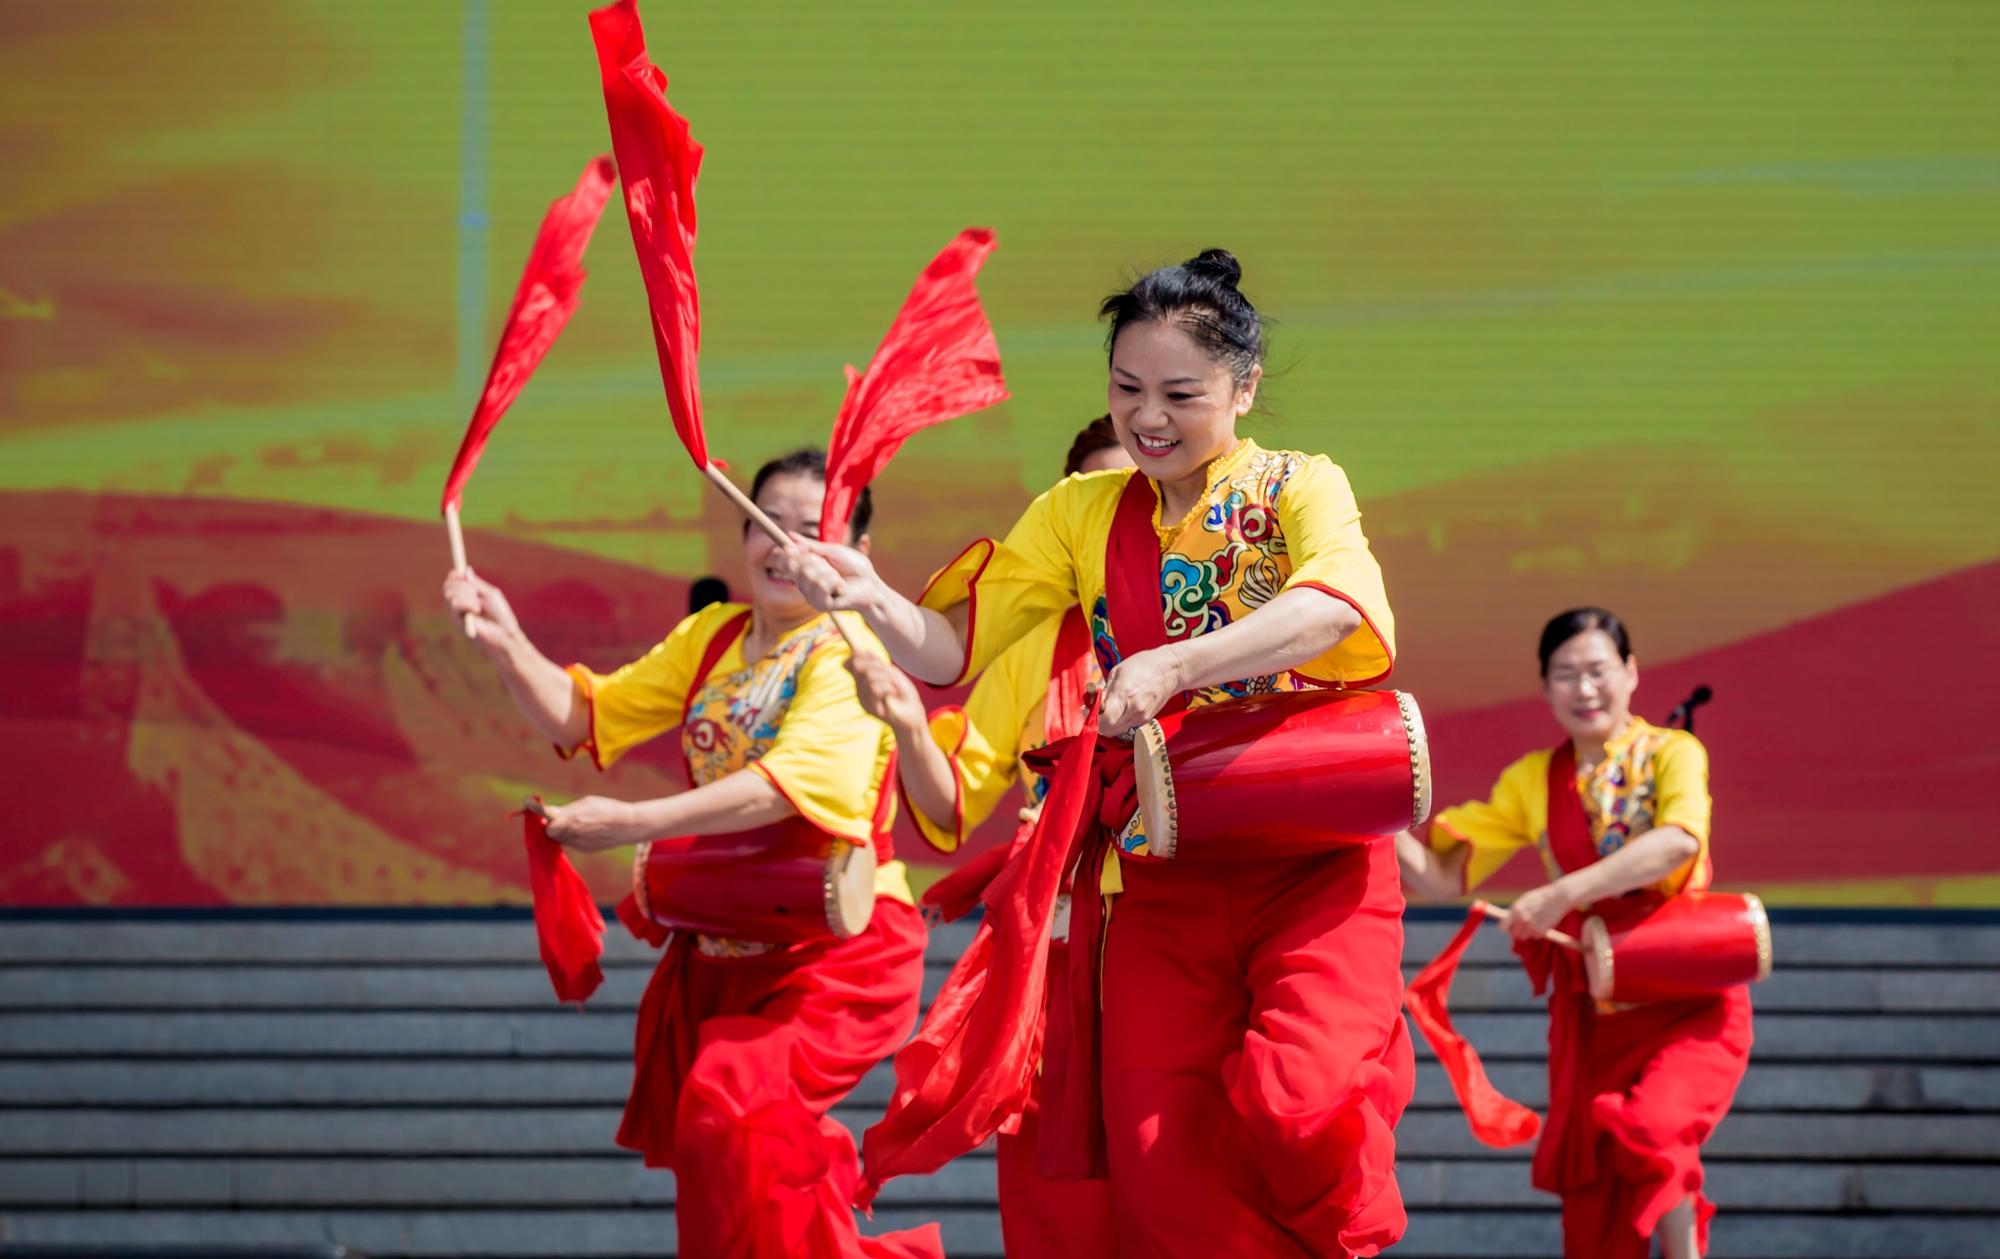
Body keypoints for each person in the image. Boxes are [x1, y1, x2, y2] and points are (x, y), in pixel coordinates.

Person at [780, 250, 1412, 1258]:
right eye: (1125, 390)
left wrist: (1172, 666)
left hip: (1309, 858)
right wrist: (871, 594)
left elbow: (1335, 608)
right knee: (1158, 1163)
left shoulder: (1298, 486)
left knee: (1299, 1100)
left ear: (1242, 389)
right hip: (1161, 877)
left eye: (1178, 393)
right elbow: (952, 644)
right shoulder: (1076, 515)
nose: (1145, 417)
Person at [443, 448, 939, 1259]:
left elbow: (783, 786)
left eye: (811, 530)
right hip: (723, 945)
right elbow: (583, 715)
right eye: (767, 523)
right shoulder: (714, 637)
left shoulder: (854, 652)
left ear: (857, 550)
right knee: (742, 1158)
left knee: (726, 1102)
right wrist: (505, 640)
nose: (785, 546)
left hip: (838, 952)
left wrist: (634, 820)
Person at [846, 415, 1131, 1258]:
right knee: (1057, 1201)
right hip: (1062, 956)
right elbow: (952, 801)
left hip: (1185, 942)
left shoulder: (1215, 627)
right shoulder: (1031, 646)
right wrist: (905, 719)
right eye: (1093, 504)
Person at [1396, 608, 1753, 1259]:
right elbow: (1444, 877)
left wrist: (1562, 892)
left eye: (1597, 671)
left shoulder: (1674, 752)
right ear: (1545, 687)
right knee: (1594, 1223)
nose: (1584, 689)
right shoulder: (1533, 778)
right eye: (1566, 675)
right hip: (1596, 1019)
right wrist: (1377, 813)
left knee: (1653, 1126)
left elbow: (1676, 843)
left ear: (1631, 673)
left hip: (1688, 1004)